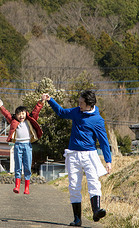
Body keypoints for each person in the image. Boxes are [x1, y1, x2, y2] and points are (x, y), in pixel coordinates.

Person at [42, 91, 112, 226]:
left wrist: (108, 161)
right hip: (73, 154)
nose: (79, 105)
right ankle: (77, 219)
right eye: (79, 102)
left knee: (94, 182)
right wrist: (50, 100)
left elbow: (103, 141)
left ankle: (96, 211)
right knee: (73, 185)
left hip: (89, 155)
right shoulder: (76, 111)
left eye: (81, 103)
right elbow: (61, 112)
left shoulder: (97, 120)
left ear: (89, 104)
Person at [0, 98, 45, 194]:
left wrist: (41, 101)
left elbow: (36, 111)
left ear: (26, 114)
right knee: (18, 166)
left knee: (27, 166)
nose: (21, 116)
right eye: (19, 114)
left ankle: (27, 187)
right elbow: (6, 114)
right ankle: (17, 186)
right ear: (16, 115)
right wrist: (0, 106)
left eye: (23, 113)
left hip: (27, 145)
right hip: (17, 145)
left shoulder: (30, 120)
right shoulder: (13, 121)